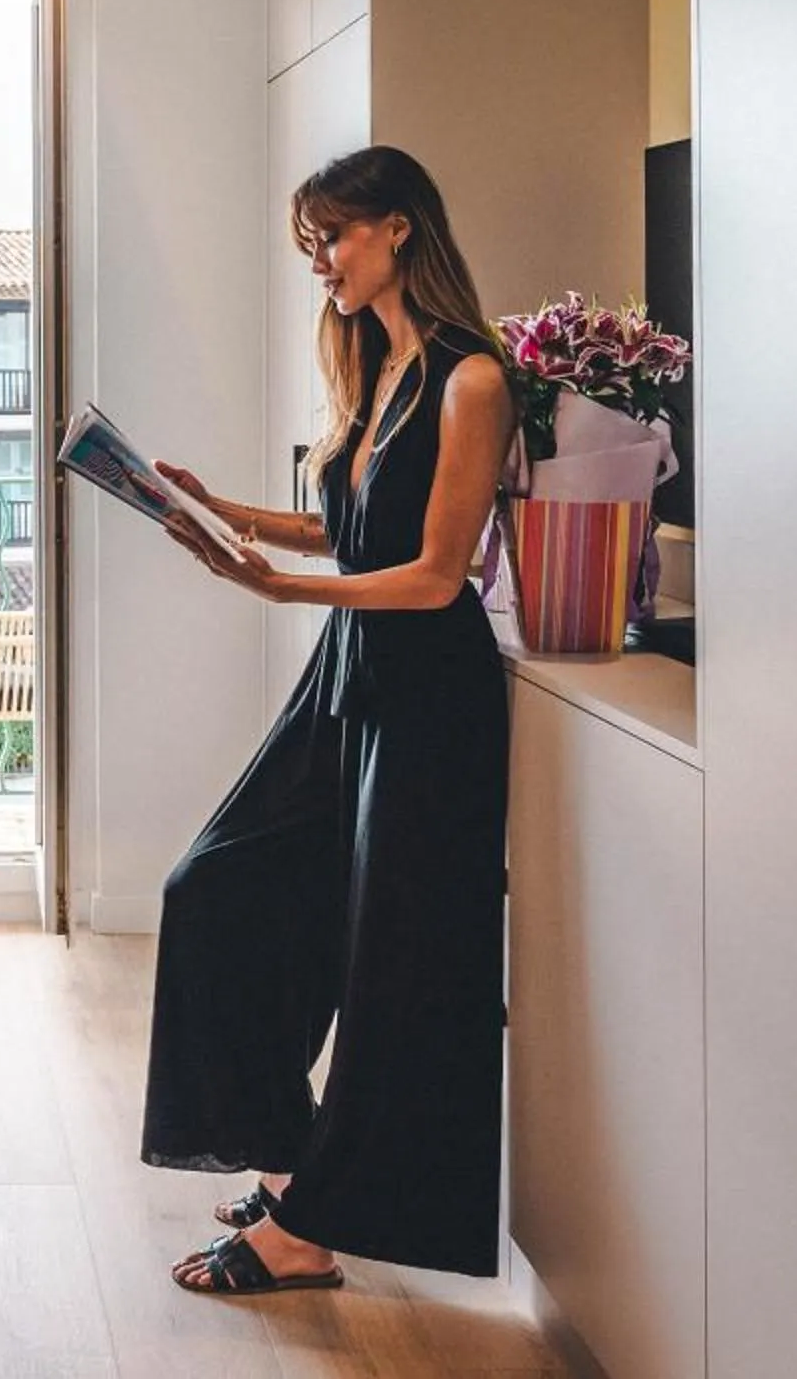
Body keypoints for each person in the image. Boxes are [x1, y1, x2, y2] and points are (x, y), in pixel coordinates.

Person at [143, 144, 516, 1295]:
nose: (323, 267)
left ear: (399, 228)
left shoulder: (472, 379)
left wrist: (278, 591)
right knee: (213, 886)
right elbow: (347, 530)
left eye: (334, 240)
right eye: (312, 248)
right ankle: (295, 1160)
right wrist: (214, 507)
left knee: (389, 964)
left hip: (427, 694)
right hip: (352, 668)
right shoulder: (380, 366)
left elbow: (437, 572)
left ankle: (310, 1232)